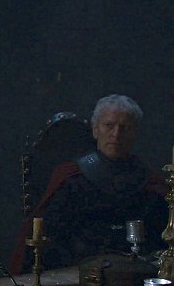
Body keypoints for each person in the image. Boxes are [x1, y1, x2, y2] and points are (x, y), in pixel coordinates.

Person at [10, 94, 169, 274]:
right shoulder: (71, 178)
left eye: (125, 127)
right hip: (78, 272)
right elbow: (52, 239)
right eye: (109, 125)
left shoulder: (149, 183)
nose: (116, 134)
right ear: (95, 130)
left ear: (135, 133)